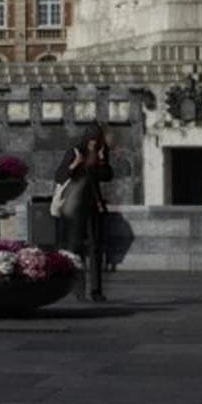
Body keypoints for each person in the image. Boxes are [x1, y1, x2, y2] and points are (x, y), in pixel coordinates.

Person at [54, 123, 114, 301]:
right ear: (86, 138)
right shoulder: (75, 152)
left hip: (93, 206)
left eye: (97, 140)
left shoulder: (101, 152)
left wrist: (102, 160)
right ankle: (78, 290)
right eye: (91, 140)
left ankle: (96, 291)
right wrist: (75, 164)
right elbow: (59, 176)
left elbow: (108, 176)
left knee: (96, 249)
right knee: (76, 248)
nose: (93, 144)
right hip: (75, 208)